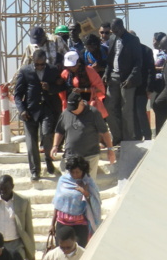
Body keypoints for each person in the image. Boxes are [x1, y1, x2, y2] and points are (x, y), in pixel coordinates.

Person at [14, 49, 61, 181]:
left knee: (46, 135)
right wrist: (22, 110)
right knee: (31, 143)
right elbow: (17, 95)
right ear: (32, 61)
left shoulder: (52, 70)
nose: (40, 67)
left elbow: (61, 87)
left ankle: (48, 158)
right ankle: (35, 170)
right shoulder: (25, 71)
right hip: (29, 111)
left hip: (47, 109)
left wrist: (50, 88)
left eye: (42, 65)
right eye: (37, 65)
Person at [51, 92, 116, 180]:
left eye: (74, 108)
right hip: (71, 156)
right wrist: (55, 146)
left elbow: (105, 132)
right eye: (71, 108)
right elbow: (59, 131)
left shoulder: (93, 113)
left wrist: (110, 150)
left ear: (81, 103)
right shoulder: (66, 113)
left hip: (90, 156)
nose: (72, 110)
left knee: (88, 186)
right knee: (70, 185)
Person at [103, 17, 142, 144]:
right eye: (112, 31)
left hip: (127, 79)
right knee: (109, 107)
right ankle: (117, 136)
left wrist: (131, 78)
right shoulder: (113, 38)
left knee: (126, 110)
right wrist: (106, 73)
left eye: (116, 30)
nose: (114, 33)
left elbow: (138, 62)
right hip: (113, 77)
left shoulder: (133, 40)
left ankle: (127, 139)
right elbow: (110, 59)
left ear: (121, 28)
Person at [51, 155, 102, 248]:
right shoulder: (63, 180)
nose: (75, 175)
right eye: (72, 172)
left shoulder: (88, 182)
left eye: (77, 172)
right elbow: (58, 203)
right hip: (62, 222)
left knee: (79, 251)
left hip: (80, 224)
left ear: (83, 171)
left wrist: (85, 193)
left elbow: (96, 202)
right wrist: (52, 224)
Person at [62, 50, 107, 118]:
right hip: (72, 108)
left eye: (73, 66)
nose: (71, 68)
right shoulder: (65, 73)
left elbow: (100, 89)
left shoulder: (89, 71)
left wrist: (82, 90)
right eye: (69, 66)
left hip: (88, 107)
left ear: (78, 62)